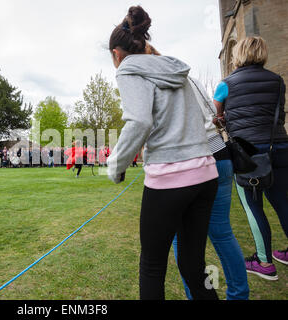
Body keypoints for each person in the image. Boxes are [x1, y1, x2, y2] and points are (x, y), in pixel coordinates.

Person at [107, 6, 219, 300]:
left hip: (170, 178)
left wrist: (115, 164)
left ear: (117, 54)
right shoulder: (173, 68)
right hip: (206, 175)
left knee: (152, 266)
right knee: (193, 265)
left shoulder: (128, 69)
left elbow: (140, 121)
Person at [213, 36, 288, 279]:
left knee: (253, 206)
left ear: (238, 55)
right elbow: (279, 116)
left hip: (248, 152)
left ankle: (264, 263)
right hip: (279, 146)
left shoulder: (226, 83)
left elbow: (216, 116)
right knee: (283, 203)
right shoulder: (278, 81)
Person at [172, 76, 249, 300]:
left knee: (182, 238)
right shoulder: (192, 79)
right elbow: (213, 117)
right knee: (223, 233)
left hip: (195, 157)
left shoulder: (160, 81)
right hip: (219, 151)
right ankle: (239, 295)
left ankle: (197, 295)